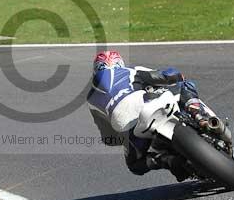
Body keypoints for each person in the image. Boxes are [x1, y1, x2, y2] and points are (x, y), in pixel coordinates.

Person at [86, 50, 218, 180]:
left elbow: (107, 137)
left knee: (135, 165)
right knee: (184, 85)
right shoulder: (130, 71)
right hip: (147, 105)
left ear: (96, 69)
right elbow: (165, 76)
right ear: (120, 63)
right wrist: (177, 75)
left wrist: (121, 137)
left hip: (128, 128)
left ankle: (169, 161)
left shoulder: (91, 98)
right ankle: (198, 113)